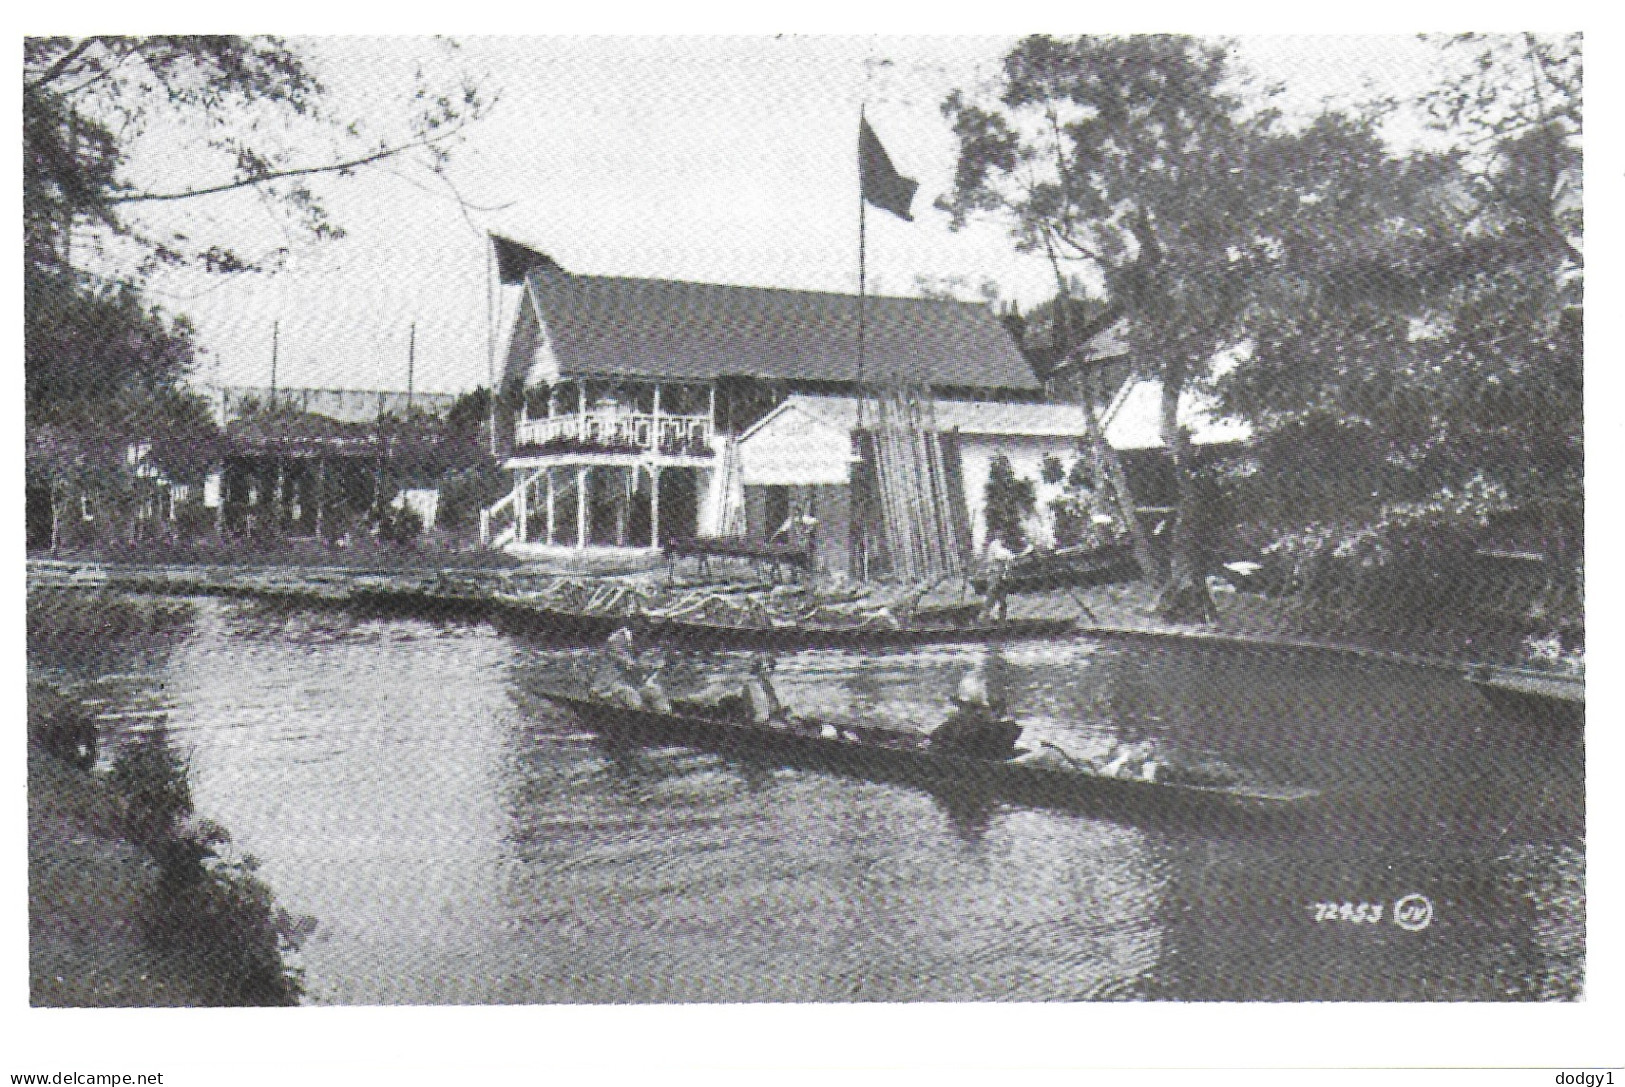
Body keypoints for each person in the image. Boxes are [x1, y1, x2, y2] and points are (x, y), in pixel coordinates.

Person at [928, 665, 1024, 760]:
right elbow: (933, 741)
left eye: (979, 708)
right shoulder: (953, 726)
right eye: (971, 707)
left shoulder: (1002, 731)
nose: (977, 713)